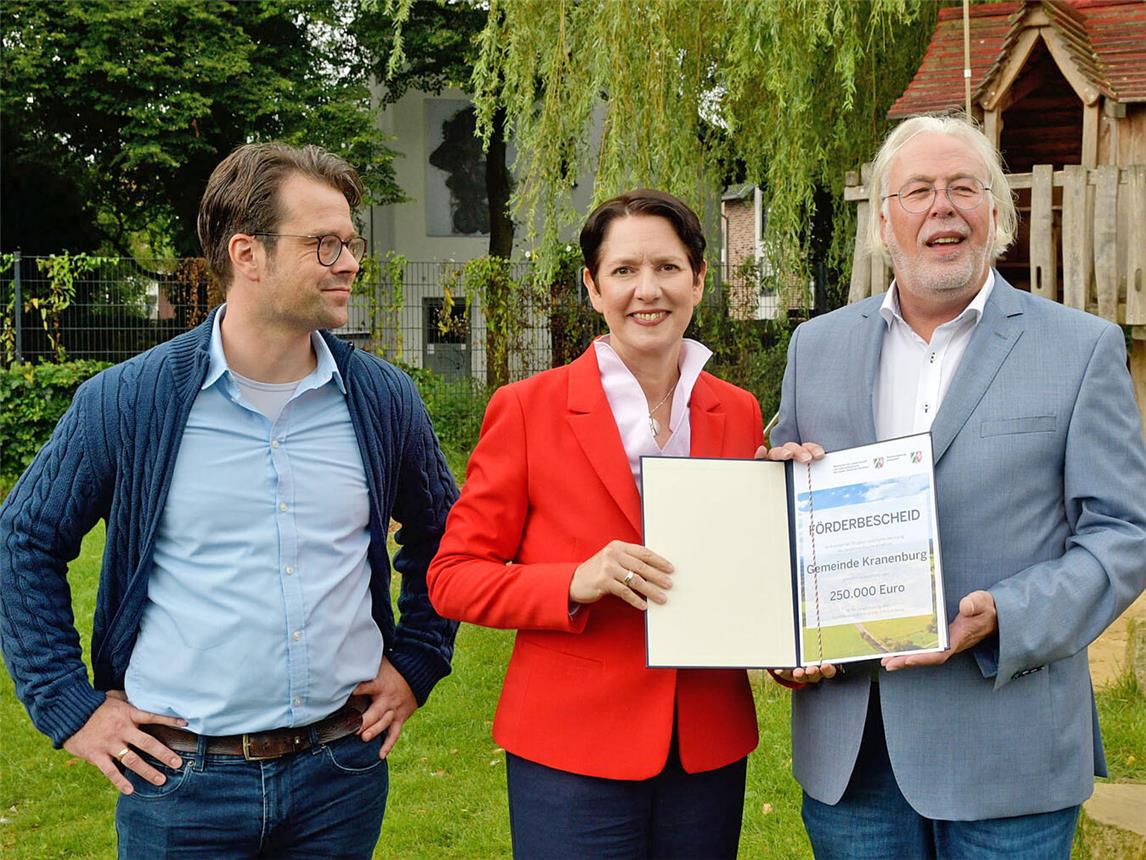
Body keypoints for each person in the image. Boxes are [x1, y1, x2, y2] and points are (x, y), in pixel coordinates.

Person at [0, 143, 460, 858]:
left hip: (340, 772)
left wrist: (420, 660)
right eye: (324, 243)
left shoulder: (381, 399)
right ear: (248, 254)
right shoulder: (130, 401)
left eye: (351, 241)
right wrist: (70, 707)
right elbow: (23, 540)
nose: (350, 262)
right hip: (181, 784)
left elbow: (444, 532)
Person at [768, 114, 1146, 857]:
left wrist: (1005, 613)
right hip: (855, 757)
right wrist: (779, 628)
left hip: (1008, 753)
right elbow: (783, 514)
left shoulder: (1081, 349)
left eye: (963, 188)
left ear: (996, 214)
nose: (941, 206)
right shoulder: (815, 346)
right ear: (883, 222)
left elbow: (1123, 535)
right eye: (917, 191)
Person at [427, 190, 762, 858]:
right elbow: (451, 577)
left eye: (668, 268)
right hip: (570, 748)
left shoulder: (740, 412)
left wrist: (795, 497)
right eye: (624, 270)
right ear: (592, 285)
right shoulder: (528, 409)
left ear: (699, 279)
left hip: (706, 745)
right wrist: (571, 582)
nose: (648, 290)